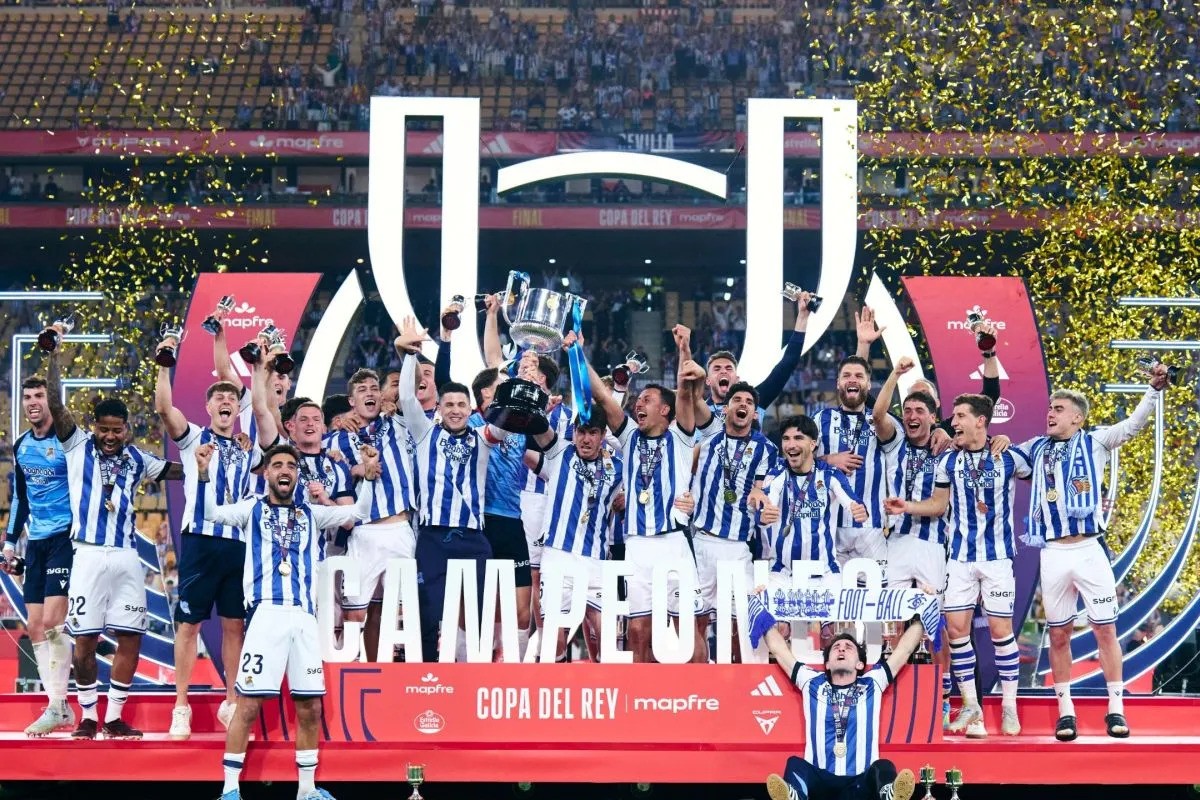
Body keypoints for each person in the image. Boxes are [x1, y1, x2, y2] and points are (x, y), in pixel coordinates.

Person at [200, 442, 378, 800]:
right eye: (278, 465)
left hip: (304, 617)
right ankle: (230, 789)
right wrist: (204, 474)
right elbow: (211, 513)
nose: (285, 470)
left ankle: (307, 790)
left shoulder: (311, 513)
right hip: (266, 614)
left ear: (297, 474)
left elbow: (359, 512)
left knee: (310, 707)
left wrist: (370, 477)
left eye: (291, 466)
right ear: (267, 472)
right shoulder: (251, 509)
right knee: (248, 705)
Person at [1021, 364, 1169, 741]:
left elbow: (1133, 426)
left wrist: (1153, 390)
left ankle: (1116, 709)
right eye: (1049, 408)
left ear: (1077, 418)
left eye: (1058, 409)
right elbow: (1002, 460)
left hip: (1089, 550)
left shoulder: (1097, 442)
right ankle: (1065, 712)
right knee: (1058, 635)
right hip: (1052, 553)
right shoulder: (1035, 449)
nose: (1050, 413)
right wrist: (995, 442)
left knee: (1105, 629)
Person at [46, 345, 183, 739]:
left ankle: (114, 717)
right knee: (85, 640)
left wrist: (207, 458)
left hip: (125, 556)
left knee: (131, 636)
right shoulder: (76, 445)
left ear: (127, 429)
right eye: (103, 429)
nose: (109, 436)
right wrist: (54, 357)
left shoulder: (138, 459)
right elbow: (56, 405)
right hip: (87, 555)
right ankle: (89, 716)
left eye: (116, 430)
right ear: (94, 427)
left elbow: (176, 471)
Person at [884, 394, 1031, 738]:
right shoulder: (948, 461)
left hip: (997, 559)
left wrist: (1004, 438)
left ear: (981, 421)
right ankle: (970, 704)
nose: (954, 422)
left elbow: (1040, 469)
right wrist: (906, 507)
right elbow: (938, 504)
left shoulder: (1010, 456)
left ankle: (1009, 706)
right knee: (955, 632)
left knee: (1000, 632)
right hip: (960, 559)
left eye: (961, 416)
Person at [155, 334, 262, 740]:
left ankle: (231, 701)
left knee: (235, 626)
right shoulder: (193, 437)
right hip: (200, 540)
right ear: (208, 407)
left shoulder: (248, 448)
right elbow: (164, 408)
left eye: (232, 397)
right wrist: (163, 365)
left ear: (237, 407)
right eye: (219, 397)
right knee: (189, 624)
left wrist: (260, 367)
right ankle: (180, 706)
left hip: (238, 544)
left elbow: (266, 413)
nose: (226, 401)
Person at [586, 339, 710, 663]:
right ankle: (641, 692)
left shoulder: (681, 438)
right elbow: (602, 396)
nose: (638, 404)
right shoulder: (629, 437)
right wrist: (576, 351)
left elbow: (685, 393)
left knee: (687, 629)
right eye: (637, 400)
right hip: (637, 545)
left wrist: (685, 350)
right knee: (639, 630)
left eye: (647, 399)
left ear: (664, 410)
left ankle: (704, 690)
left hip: (673, 543)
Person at [394, 317, 509, 661]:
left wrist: (513, 379)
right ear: (440, 409)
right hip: (432, 537)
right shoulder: (424, 432)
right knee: (427, 612)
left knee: (478, 613)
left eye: (461, 405)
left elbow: (505, 421)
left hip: (473, 537)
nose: (456, 410)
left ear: (470, 408)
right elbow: (406, 397)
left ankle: (473, 674)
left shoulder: (483, 437)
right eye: (449, 405)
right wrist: (410, 356)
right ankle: (426, 674)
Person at [747, 592, 924, 800]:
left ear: (860, 664)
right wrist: (757, 606)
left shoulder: (872, 682)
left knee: (883, 766)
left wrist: (923, 614)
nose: (841, 649)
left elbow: (904, 650)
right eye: (836, 648)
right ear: (828, 664)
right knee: (795, 763)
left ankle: (889, 794)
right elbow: (779, 650)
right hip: (820, 784)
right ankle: (794, 796)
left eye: (848, 648)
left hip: (859, 785)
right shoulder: (812, 682)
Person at [680, 317, 776, 654]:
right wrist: (685, 496)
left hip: (738, 545)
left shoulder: (766, 449)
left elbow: (766, 488)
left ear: (754, 412)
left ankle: (738, 672)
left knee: (740, 620)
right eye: (738, 401)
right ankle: (699, 674)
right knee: (697, 617)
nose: (743, 405)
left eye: (749, 402)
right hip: (702, 540)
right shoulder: (706, 440)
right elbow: (690, 395)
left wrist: (761, 496)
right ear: (727, 408)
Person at [325, 366, 417, 661]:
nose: (370, 393)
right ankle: (349, 673)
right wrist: (352, 468)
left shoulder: (398, 423)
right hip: (363, 532)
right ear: (351, 401)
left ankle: (384, 674)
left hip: (400, 529)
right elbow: (312, 458)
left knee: (394, 612)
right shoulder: (337, 439)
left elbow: (410, 392)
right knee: (355, 613)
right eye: (362, 390)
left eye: (374, 389)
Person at [2, 376, 74, 736]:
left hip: (66, 538)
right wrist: (9, 543)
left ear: (51, 400)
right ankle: (58, 705)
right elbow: (20, 498)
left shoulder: (68, 442)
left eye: (39, 395)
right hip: (37, 542)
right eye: (27, 396)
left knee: (52, 623)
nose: (32, 401)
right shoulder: (21, 445)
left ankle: (59, 705)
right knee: (34, 626)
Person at [525, 403, 623, 661]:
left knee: (607, 639)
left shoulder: (618, 468)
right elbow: (538, 428)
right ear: (574, 432)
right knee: (554, 640)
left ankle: (605, 684)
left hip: (596, 563)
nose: (586, 439)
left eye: (593, 433)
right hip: (557, 559)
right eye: (581, 432)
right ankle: (556, 681)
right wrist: (539, 408)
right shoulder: (559, 452)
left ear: (603, 436)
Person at [814, 356, 901, 570]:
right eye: (846, 375)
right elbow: (798, 463)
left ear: (868, 385)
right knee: (831, 587)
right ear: (838, 383)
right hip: (829, 524)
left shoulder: (881, 422)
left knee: (874, 588)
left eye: (859, 376)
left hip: (871, 526)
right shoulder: (820, 419)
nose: (852, 379)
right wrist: (827, 459)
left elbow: (885, 425)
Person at [703, 287, 814, 417]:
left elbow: (788, 363)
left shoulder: (754, 402)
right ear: (708, 380)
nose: (723, 371)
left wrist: (802, 317)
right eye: (717, 368)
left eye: (729, 368)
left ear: (737, 379)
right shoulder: (696, 413)